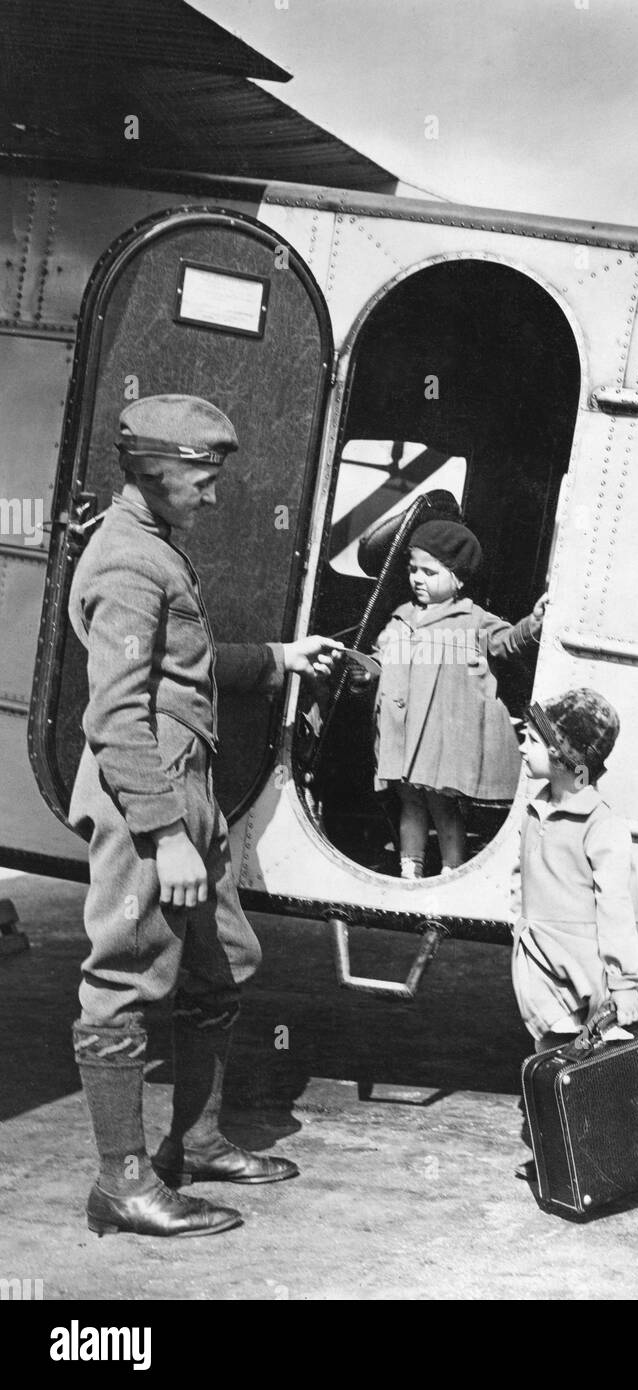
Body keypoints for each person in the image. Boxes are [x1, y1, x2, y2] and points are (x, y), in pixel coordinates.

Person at [68, 394, 342, 1238]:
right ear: (155, 468)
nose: (214, 495)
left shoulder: (155, 548)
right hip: (146, 794)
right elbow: (115, 714)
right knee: (124, 978)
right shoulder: (125, 561)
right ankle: (124, 1183)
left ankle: (197, 1139)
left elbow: (174, 665)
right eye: (203, 476)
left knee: (223, 961)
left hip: (190, 789)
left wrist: (277, 660)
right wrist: (160, 834)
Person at [358, 518, 546, 877]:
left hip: (439, 740)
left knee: (442, 806)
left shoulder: (473, 620)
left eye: (429, 572)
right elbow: (384, 658)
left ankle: (451, 873)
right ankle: (408, 872)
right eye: (413, 569)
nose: (417, 578)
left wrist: (534, 623)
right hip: (402, 733)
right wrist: (367, 671)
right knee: (409, 802)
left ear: (458, 578)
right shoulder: (401, 618)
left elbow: (508, 642)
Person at [512, 687, 638, 1054]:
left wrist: (625, 983)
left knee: (609, 1065)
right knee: (553, 1053)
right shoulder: (536, 810)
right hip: (545, 964)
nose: (522, 746)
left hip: (593, 971)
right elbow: (519, 880)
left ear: (562, 755)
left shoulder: (601, 825)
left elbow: (617, 910)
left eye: (533, 740)